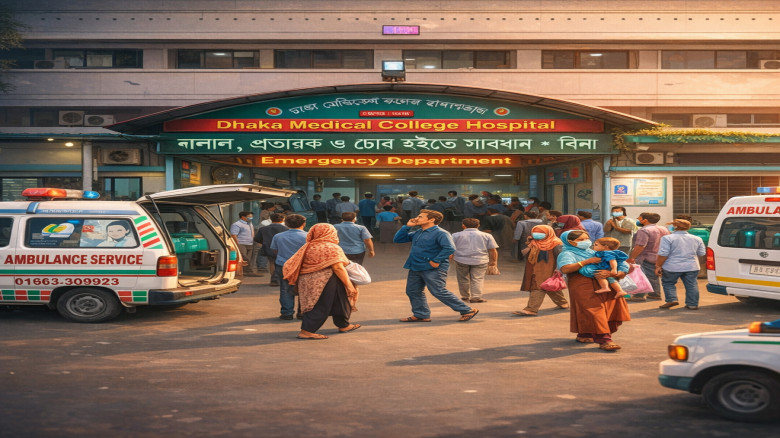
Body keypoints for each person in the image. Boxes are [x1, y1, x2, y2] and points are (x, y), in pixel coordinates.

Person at [394, 209, 480, 322]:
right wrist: (407, 226)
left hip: (433, 268)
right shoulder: (419, 232)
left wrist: (436, 260)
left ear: (431, 220)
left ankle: (467, 310)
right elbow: (398, 239)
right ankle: (421, 314)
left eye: (420, 217)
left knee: (438, 291)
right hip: (415, 266)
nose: (416, 218)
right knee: (413, 291)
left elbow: (449, 248)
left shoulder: (441, 233)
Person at [282, 223, 360, 340]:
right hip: (325, 281)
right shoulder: (331, 247)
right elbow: (338, 268)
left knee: (339, 301)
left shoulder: (308, 246)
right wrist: (349, 285)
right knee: (320, 305)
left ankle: (344, 325)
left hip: (309, 280)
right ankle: (306, 331)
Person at [557, 230, 631, 351]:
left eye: (587, 238)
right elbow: (565, 269)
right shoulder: (567, 254)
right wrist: (586, 262)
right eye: (581, 240)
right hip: (582, 284)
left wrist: (615, 273)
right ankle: (605, 340)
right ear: (570, 242)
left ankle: (585, 334)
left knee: (611, 306)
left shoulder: (593, 252)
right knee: (594, 310)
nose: (586, 241)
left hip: (603, 282)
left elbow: (616, 262)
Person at [513, 224, 569, 316]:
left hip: (549, 270)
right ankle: (563, 303)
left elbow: (561, 258)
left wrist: (559, 269)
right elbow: (524, 253)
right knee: (550, 287)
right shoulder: (534, 243)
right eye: (535, 232)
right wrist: (529, 243)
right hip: (535, 269)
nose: (537, 234)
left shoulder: (556, 244)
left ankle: (531, 309)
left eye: (541, 233)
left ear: (549, 233)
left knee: (538, 287)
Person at [655, 219, 707, 310]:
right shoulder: (697, 239)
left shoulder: (667, 238)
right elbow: (701, 253)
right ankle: (692, 304)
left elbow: (663, 254)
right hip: (692, 266)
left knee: (668, 283)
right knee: (692, 285)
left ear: (675, 227)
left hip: (672, 266)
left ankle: (672, 299)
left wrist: (658, 266)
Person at [450, 218, 498, 303]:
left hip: (461, 260)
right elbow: (493, 250)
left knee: (462, 278)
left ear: (463, 225)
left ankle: (465, 296)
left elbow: (450, 248)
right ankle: (476, 297)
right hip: (480, 260)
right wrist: (493, 262)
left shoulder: (455, 235)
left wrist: (450, 257)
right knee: (478, 278)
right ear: (478, 225)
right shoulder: (487, 235)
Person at [270, 214, 308, 320]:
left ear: (286, 224)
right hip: (303, 266)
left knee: (285, 288)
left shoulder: (278, 236)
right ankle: (302, 312)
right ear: (304, 224)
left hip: (283, 265)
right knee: (304, 289)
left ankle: (287, 313)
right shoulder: (308, 236)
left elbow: (275, 250)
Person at [626, 212, 669, 302]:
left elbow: (640, 245)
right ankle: (654, 294)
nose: (638, 220)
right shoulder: (664, 229)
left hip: (645, 257)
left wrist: (632, 257)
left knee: (641, 276)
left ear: (644, 220)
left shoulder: (644, 230)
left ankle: (639, 295)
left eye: (639, 218)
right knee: (653, 276)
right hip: (659, 256)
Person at [254, 213, 287, 287]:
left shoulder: (263, 229)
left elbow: (257, 239)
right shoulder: (286, 229)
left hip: (269, 248)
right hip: (282, 248)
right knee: (282, 264)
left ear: (271, 219)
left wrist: (264, 243)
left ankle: (274, 279)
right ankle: (281, 279)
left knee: (272, 263)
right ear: (283, 219)